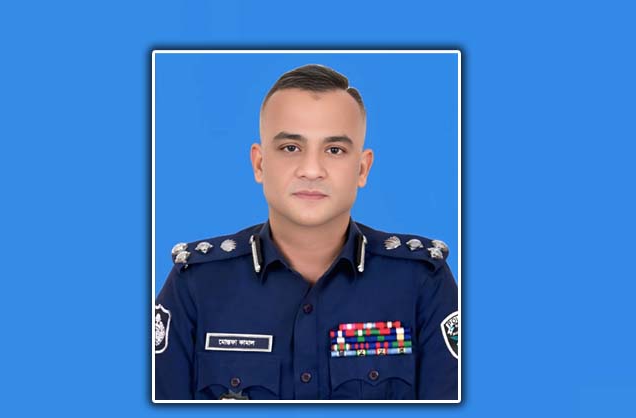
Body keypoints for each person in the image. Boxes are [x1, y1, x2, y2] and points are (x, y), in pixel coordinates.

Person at [154, 64, 459, 400]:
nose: (312, 170)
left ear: (362, 168)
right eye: (290, 148)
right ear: (259, 163)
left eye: (334, 150)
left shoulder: (422, 283)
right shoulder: (196, 285)